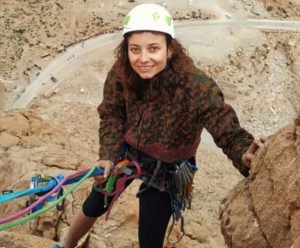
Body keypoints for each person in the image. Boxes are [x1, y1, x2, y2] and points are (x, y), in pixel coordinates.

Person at [61, 3, 265, 248]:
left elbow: (226, 129)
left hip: (171, 168)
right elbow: (112, 115)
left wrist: (244, 153)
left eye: (153, 49)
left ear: (170, 49)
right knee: (93, 205)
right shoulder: (121, 73)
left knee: (150, 237)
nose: (143, 58)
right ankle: (64, 246)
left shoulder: (196, 86)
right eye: (134, 49)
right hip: (126, 153)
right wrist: (107, 155)